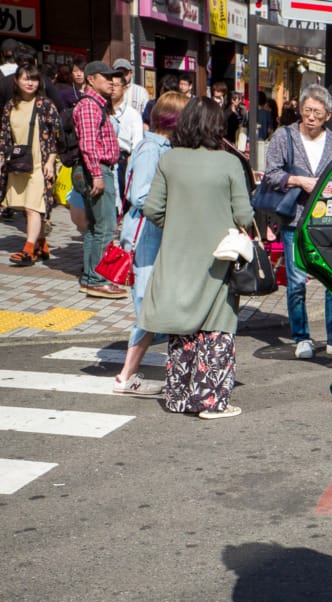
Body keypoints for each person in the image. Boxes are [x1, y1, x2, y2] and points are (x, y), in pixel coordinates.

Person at [139, 97, 253, 419]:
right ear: (217, 126)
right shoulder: (229, 163)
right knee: (216, 326)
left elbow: (152, 208)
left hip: (177, 255)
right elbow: (244, 214)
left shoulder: (170, 160)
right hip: (220, 257)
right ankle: (210, 402)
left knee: (183, 326)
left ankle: (179, 397)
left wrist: (176, 223)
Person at [262, 84, 332, 358]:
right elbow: (271, 174)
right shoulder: (283, 137)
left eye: (317, 113)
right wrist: (298, 180)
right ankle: (302, 337)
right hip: (293, 218)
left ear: (328, 116)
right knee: (297, 280)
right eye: (307, 110)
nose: (311, 117)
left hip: (327, 220)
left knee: (331, 279)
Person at [112, 90, 188, 396]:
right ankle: (125, 375)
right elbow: (140, 195)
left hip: (152, 233)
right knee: (147, 305)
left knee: (152, 305)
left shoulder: (161, 147)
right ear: (175, 120)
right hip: (145, 235)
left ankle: (130, 373)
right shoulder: (150, 149)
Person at [72, 61, 126, 299]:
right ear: (91, 79)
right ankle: (96, 279)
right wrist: (96, 174)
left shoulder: (96, 105)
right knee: (105, 227)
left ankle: (90, 277)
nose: (111, 81)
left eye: (113, 77)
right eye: (106, 77)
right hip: (96, 170)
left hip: (97, 170)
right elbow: (88, 144)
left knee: (96, 227)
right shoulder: (89, 106)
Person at [0, 62, 62, 265]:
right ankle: (41, 243)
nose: (30, 83)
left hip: (40, 162)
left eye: (34, 79)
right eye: (26, 78)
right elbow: (5, 136)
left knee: (33, 207)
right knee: (25, 205)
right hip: (19, 162)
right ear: (16, 81)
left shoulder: (45, 104)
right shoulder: (10, 105)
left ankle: (28, 250)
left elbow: (55, 136)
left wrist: (51, 161)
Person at [111, 72, 144, 209]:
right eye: (110, 85)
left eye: (116, 85)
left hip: (123, 160)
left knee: (123, 205)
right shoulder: (101, 111)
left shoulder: (133, 115)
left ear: (124, 88)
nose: (112, 88)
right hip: (104, 159)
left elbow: (137, 143)